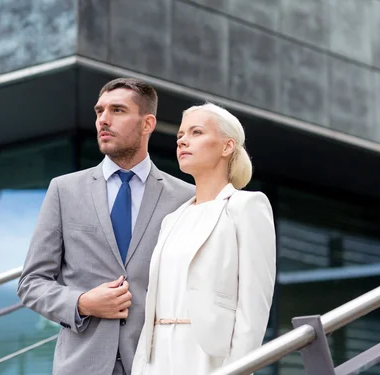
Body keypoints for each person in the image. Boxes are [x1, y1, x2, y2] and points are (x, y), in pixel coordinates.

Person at [17, 78, 195, 375]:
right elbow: (31, 283)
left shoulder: (185, 198)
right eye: (99, 111)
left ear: (147, 123)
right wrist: (82, 302)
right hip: (81, 365)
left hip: (157, 364)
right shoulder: (64, 190)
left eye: (118, 110)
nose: (104, 120)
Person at [131, 103, 276, 375]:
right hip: (158, 358)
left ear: (227, 146)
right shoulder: (172, 220)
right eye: (180, 136)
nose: (183, 140)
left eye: (196, 132)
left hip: (209, 358)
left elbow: (254, 305)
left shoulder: (246, 207)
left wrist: (239, 368)